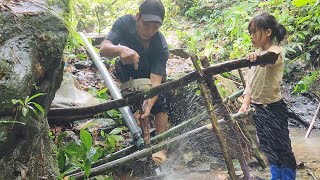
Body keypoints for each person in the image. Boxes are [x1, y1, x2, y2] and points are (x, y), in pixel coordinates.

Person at [239, 12, 297, 179]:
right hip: (258, 109)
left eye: (254, 32)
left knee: (281, 146)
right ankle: (275, 176)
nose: (251, 36)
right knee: (267, 146)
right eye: (249, 32)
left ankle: (288, 177)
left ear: (268, 32)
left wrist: (256, 58)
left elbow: (267, 59)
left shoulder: (275, 51)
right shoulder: (255, 57)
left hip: (274, 108)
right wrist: (245, 103)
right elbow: (250, 84)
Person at [99, 0, 169, 136]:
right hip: (128, 69)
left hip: (151, 72)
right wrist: (119, 49)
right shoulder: (124, 23)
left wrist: (148, 104)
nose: (149, 31)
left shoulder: (161, 46)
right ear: (138, 16)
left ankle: (162, 144)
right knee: (133, 102)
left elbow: (155, 82)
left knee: (159, 102)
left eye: (155, 27)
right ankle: (143, 137)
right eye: (146, 24)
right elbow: (103, 49)